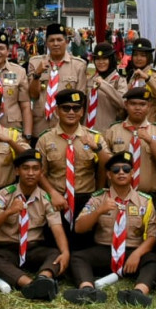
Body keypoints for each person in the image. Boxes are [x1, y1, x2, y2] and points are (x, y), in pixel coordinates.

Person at [64, 151, 156, 306]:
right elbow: (79, 228)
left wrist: (137, 253)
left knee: (153, 260)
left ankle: (138, 293)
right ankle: (88, 291)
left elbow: (153, 235)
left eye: (126, 169)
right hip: (105, 250)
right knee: (77, 257)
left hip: (131, 251)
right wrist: (99, 211)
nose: (121, 172)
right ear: (109, 175)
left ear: (132, 173)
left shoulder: (145, 201)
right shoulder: (98, 198)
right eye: (116, 170)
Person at [0, 149, 70, 301]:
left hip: (33, 248)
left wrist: (66, 252)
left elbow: (57, 227)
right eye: (26, 168)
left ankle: (43, 278)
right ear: (17, 171)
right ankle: (29, 284)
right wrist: (8, 212)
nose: (30, 173)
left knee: (56, 254)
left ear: (41, 172)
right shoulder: (4, 195)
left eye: (35, 169)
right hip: (8, 248)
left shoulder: (45, 198)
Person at [35, 89, 104, 248]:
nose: (71, 112)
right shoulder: (45, 139)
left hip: (86, 198)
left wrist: (97, 195)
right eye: (66, 108)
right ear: (57, 110)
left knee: (83, 247)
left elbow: (105, 166)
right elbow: (38, 172)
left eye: (76, 108)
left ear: (82, 112)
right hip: (57, 198)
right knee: (54, 247)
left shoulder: (95, 137)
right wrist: (52, 193)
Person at [101, 87, 156, 198]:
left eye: (142, 104)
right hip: (118, 195)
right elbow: (104, 164)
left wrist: (150, 141)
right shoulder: (113, 130)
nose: (137, 108)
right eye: (133, 104)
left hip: (149, 196)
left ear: (149, 106)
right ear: (126, 105)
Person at [28, 24, 89, 136]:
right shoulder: (35, 62)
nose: (55, 44)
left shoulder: (78, 65)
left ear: (66, 42)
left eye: (59, 40)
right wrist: (37, 74)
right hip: (40, 126)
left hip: (67, 128)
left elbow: (81, 101)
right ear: (46, 43)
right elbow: (33, 94)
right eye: (52, 40)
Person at [85, 43, 128, 132]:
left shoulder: (119, 80)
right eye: (97, 59)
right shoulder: (91, 80)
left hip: (108, 131)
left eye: (104, 58)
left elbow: (123, 102)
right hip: (87, 131)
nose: (101, 62)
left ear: (111, 59)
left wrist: (103, 85)